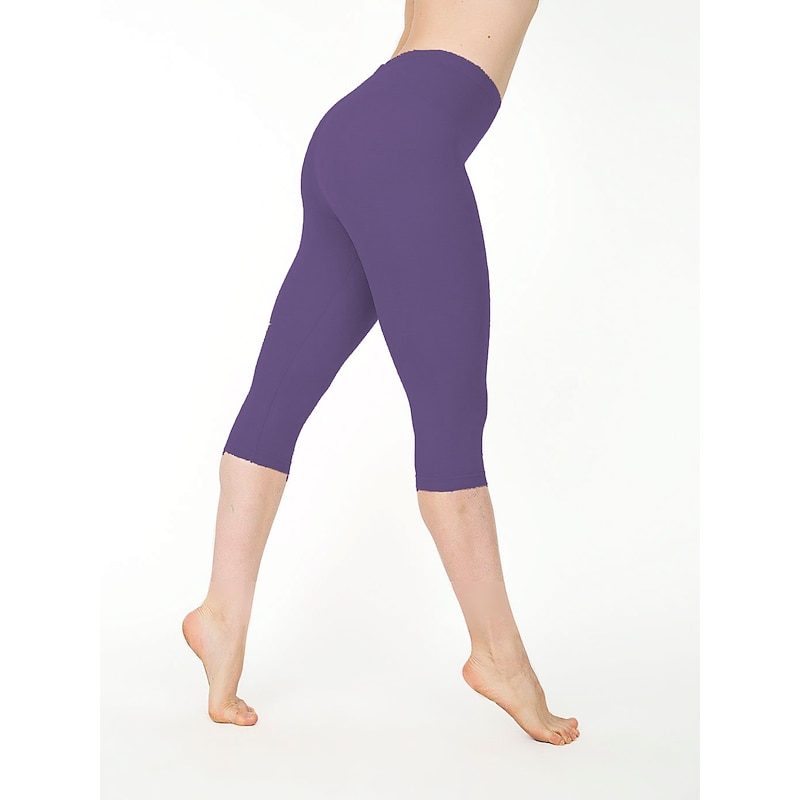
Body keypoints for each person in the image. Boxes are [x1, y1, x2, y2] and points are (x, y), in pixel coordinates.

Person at [183, 0, 580, 746]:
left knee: (276, 401)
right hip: (406, 147)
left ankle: (221, 616)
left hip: (354, 128)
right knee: (451, 424)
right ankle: (499, 658)